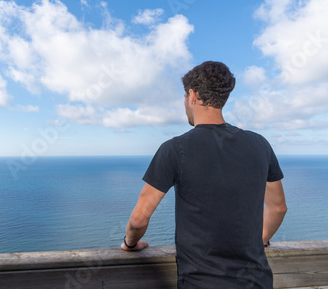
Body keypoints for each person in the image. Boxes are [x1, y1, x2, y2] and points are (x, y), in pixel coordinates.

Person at [121, 61, 287, 288]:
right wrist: (261, 240)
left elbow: (139, 218)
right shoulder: (260, 144)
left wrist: (130, 244)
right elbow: (278, 207)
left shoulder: (175, 149)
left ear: (192, 95)